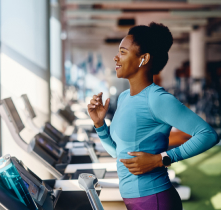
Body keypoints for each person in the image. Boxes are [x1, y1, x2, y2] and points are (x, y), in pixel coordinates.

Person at [87, 22, 219, 210]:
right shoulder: (125, 97)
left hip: (155, 199)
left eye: (123, 52)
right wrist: (99, 125)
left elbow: (208, 135)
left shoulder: (157, 99)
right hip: (135, 200)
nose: (116, 57)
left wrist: (162, 159)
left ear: (143, 59)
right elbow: (120, 154)